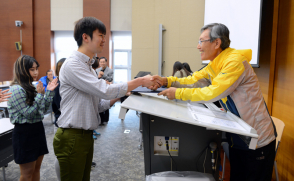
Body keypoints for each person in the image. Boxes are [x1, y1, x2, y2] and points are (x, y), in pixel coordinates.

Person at [152, 23, 276, 181]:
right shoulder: (215, 64)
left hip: (257, 141)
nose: (198, 46)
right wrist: (166, 81)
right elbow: (193, 81)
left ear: (216, 43)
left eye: (201, 41)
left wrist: (177, 93)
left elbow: (213, 93)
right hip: (239, 137)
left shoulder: (234, 62)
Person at [53, 17, 157, 181]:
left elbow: (98, 104)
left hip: (84, 136)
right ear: (85, 37)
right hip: (72, 137)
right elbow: (105, 90)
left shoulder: (88, 67)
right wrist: (140, 81)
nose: (104, 39)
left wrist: (121, 94)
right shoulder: (73, 64)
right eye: (100, 35)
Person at [7, 55, 58, 181]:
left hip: (37, 130)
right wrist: (40, 95)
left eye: (36, 69)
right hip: (24, 133)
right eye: (32, 69)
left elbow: (43, 109)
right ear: (22, 70)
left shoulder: (32, 86)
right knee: (27, 174)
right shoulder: (16, 89)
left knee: (36, 169)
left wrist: (49, 92)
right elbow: (29, 113)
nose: (35, 72)